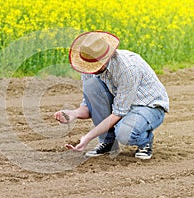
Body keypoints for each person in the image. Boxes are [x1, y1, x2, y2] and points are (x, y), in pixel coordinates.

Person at [54, 31, 169, 159]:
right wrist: (73, 114)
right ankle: (107, 142)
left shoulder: (127, 69)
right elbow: (90, 107)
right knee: (91, 85)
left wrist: (88, 137)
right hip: (121, 104)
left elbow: (118, 113)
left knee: (125, 134)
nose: (90, 68)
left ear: (106, 58)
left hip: (147, 106)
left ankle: (144, 141)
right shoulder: (88, 66)